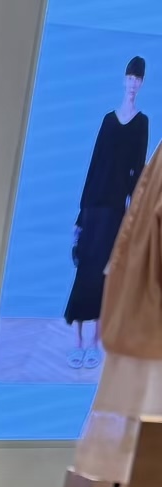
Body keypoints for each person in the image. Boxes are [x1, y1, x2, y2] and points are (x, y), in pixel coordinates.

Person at [67, 55, 149, 370]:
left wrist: (134, 211)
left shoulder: (141, 122)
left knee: (105, 272)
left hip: (116, 207)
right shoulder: (107, 119)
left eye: (137, 79)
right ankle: (77, 341)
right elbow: (94, 164)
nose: (132, 83)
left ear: (141, 83)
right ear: (124, 80)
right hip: (93, 205)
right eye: (129, 77)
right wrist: (80, 216)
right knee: (84, 269)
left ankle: (95, 341)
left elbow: (138, 168)